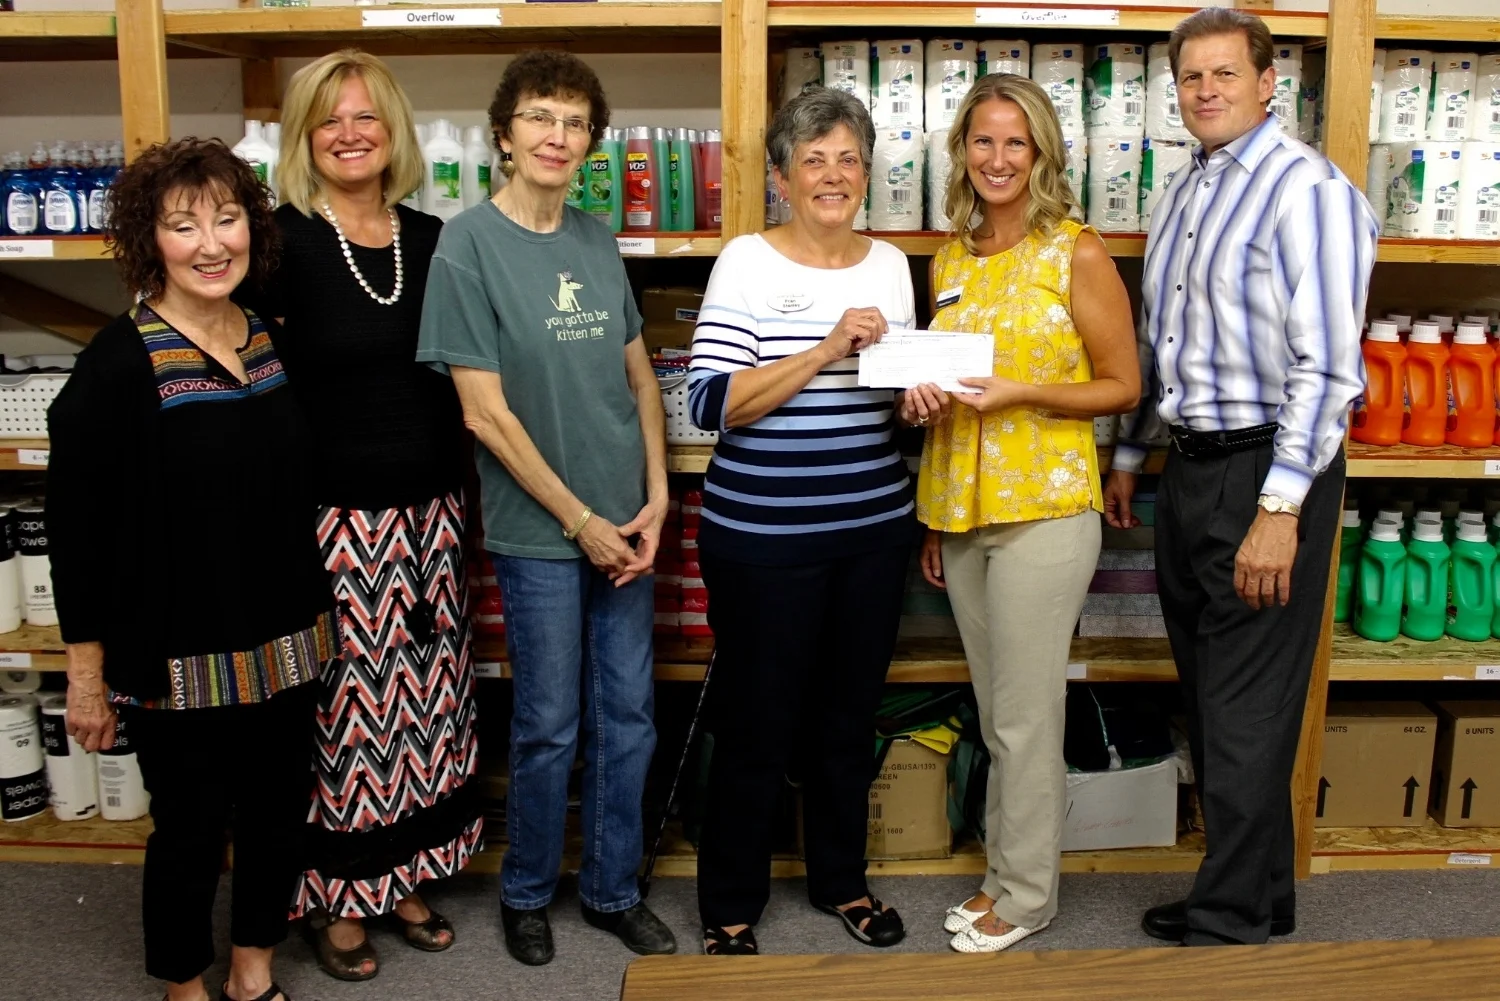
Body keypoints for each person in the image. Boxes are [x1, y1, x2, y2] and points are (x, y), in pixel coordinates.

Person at [1104, 7, 1376, 947]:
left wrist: (1280, 508)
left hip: (1270, 470)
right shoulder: (1183, 192)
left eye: (1226, 74)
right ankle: (1263, 894)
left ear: (1271, 84)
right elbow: (1160, 340)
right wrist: (1134, 454)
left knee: (1246, 702)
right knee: (1214, 692)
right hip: (1193, 467)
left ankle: (1227, 914)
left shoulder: (1310, 191)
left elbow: (1330, 367)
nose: (1207, 90)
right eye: (1191, 78)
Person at [48, 138, 334, 1001]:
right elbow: (77, 530)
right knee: (190, 829)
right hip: (176, 654)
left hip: (287, 638)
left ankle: (253, 969)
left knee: (280, 814)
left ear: (252, 226)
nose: (211, 243)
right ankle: (183, 984)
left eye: (226, 217)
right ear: (150, 242)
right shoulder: (117, 364)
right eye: (183, 225)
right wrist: (88, 674)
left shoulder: (268, 335)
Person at [415, 50, 675, 966]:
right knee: (548, 722)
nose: (558, 135)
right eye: (540, 117)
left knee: (629, 715)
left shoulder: (596, 240)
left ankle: (609, 889)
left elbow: (639, 378)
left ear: (589, 144)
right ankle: (526, 888)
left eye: (574, 122)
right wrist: (581, 521)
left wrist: (656, 496)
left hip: (626, 524)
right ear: (503, 136)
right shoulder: (467, 245)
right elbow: (484, 412)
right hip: (543, 532)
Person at [687, 86, 935, 957]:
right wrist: (825, 346)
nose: (834, 175)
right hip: (763, 542)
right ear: (785, 177)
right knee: (758, 722)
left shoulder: (892, 266)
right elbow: (712, 401)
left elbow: (892, 405)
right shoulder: (747, 262)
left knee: (846, 717)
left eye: (850, 159)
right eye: (815, 159)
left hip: (871, 533)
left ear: (867, 173)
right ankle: (730, 898)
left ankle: (842, 880)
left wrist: (920, 401)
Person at [255, 50, 481, 982]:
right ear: (306, 137)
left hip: (432, 513)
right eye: (328, 121)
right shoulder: (278, 244)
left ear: (394, 132)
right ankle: (333, 892)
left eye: (367, 119)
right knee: (349, 712)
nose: (350, 135)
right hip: (333, 521)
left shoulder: (433, 238)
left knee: (425, 705)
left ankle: (401, 874)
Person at [912, 73, 1140, 954]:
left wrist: (1017, 391)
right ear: (961, 152)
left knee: (1026, 714)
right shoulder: (951, 255)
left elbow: (1124, 384)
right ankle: (1002, 873)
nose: (997, 157)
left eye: (1016, 142)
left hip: (1045, 509)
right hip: (961, 513)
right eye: (982, 140)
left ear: (1041, 152)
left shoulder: (1075, 252)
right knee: (993, 705)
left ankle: (1030, 895)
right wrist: (921, 412)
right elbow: (942, 382)